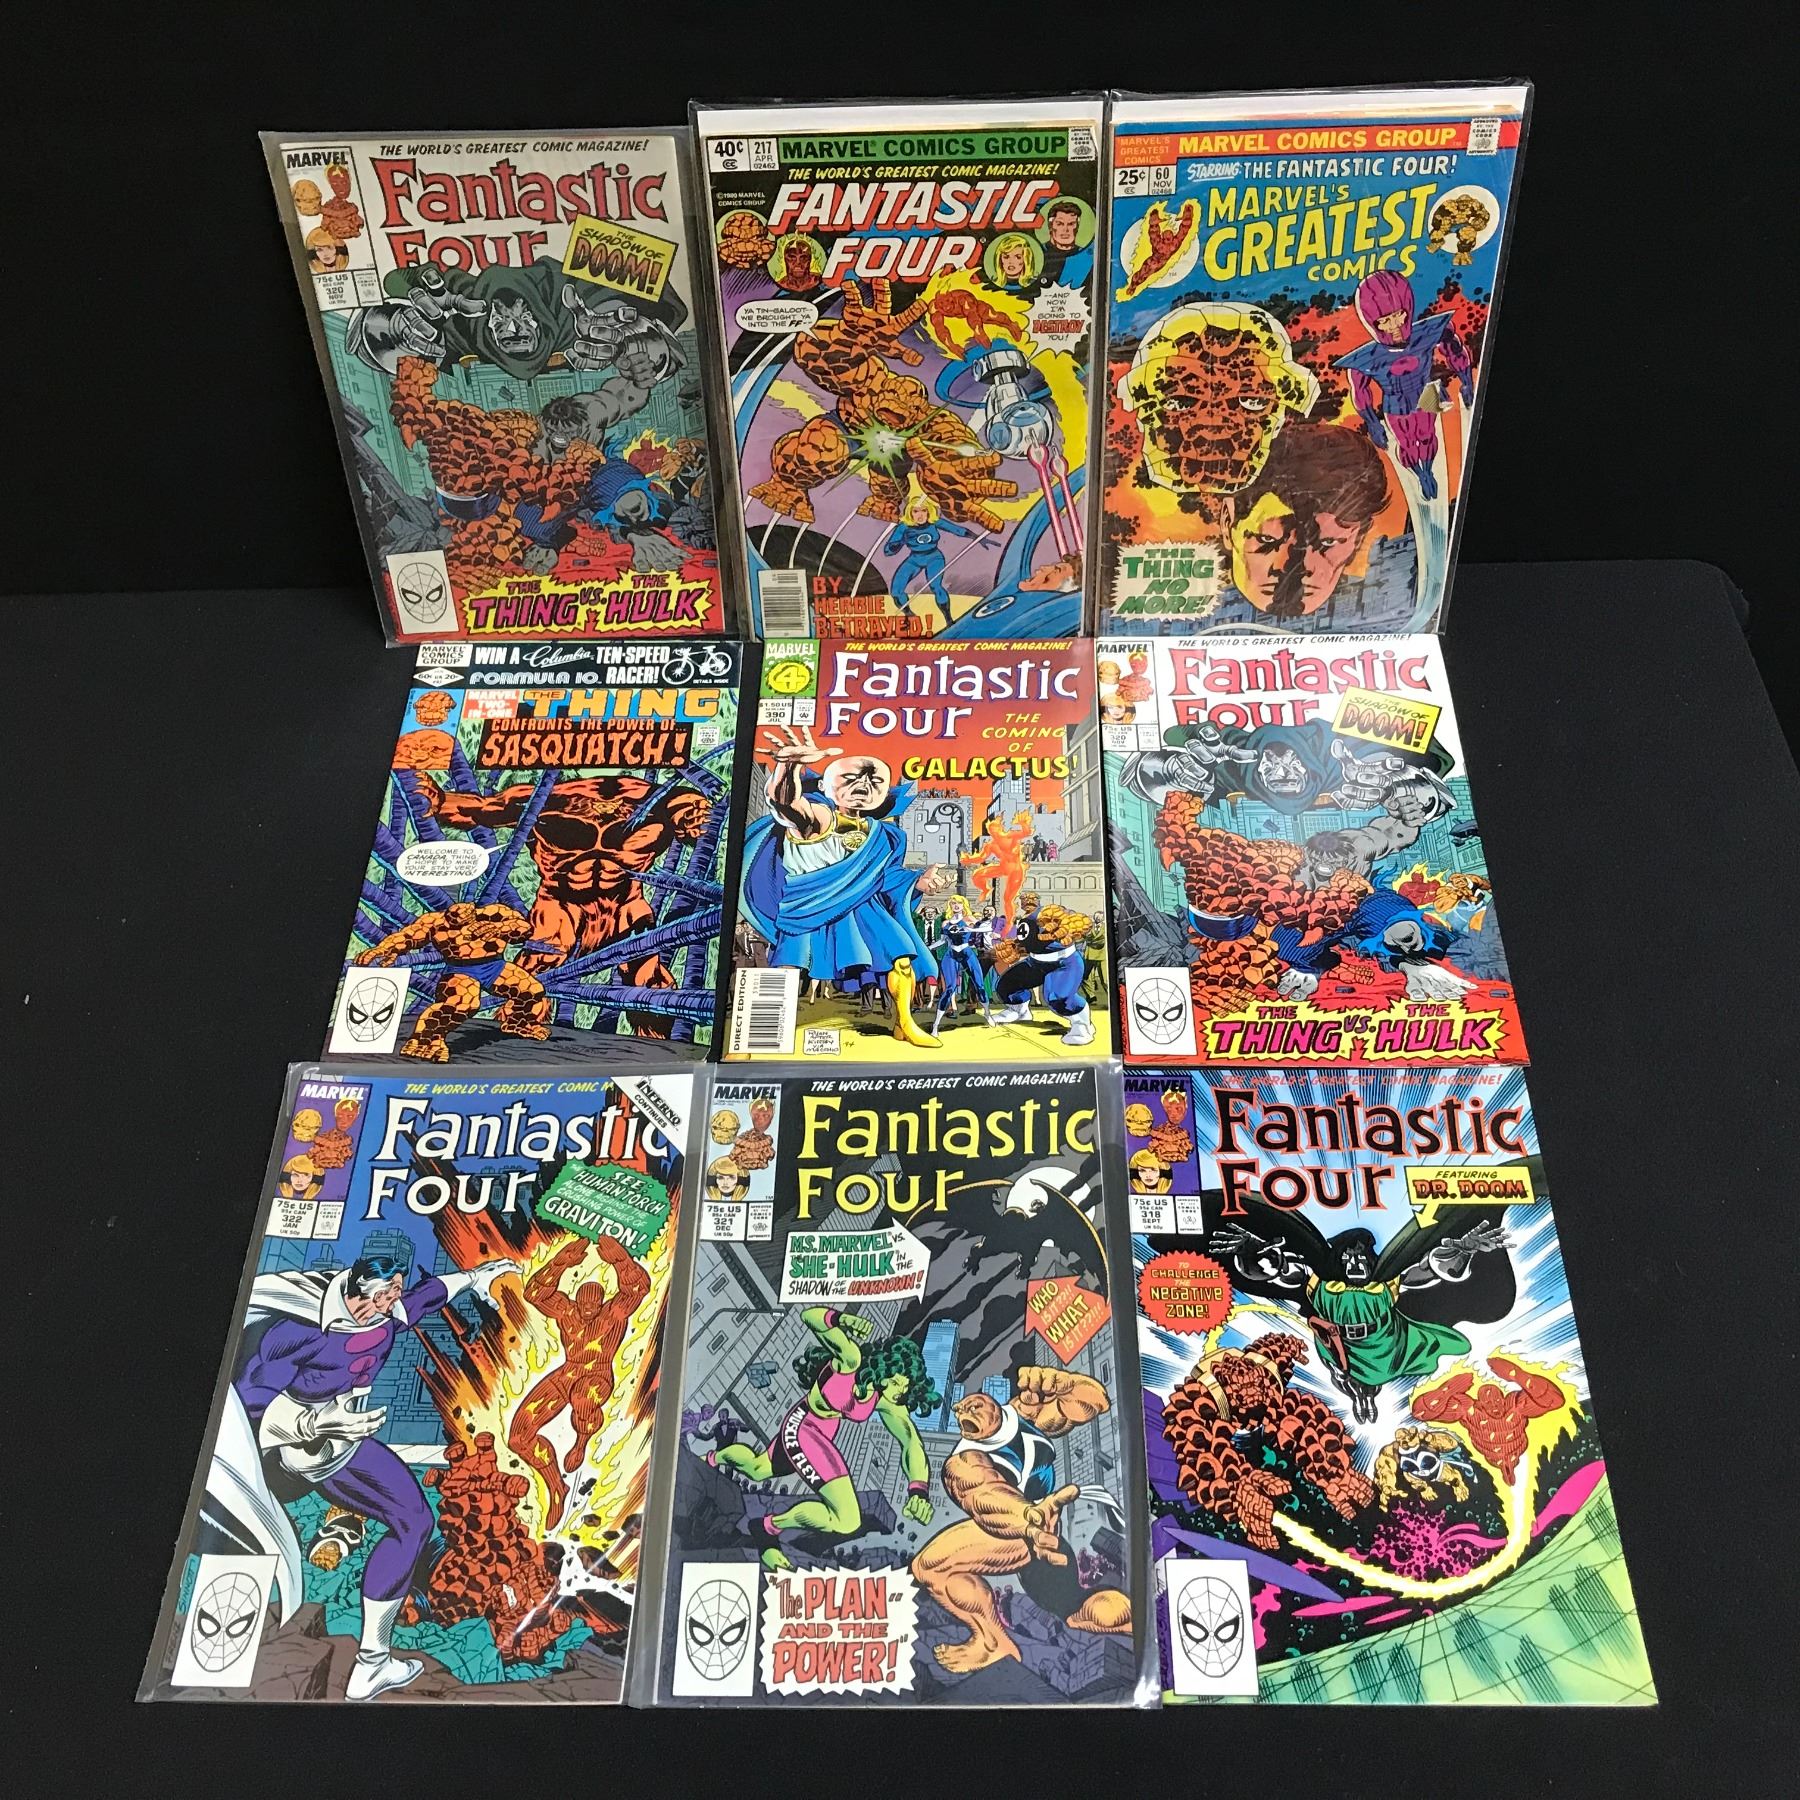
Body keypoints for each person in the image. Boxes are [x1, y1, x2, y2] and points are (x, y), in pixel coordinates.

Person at [710, 1309, 937, 1568]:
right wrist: (842, 1319)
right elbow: (810, 1317)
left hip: (821, 1431)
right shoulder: (851, 1361)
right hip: (804, 1427)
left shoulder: (886, 1399)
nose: (899, 1392)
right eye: (896, 1383)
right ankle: (767, 1528)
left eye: (904, 1388)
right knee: (847, 1519)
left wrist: (919, 1490)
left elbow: (911, 1440)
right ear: (883, 1368)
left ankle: (715, 1457)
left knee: (757, 1469)